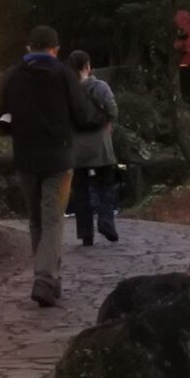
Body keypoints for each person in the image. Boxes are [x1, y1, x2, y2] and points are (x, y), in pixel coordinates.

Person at [0, 24, 90, 306]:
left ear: (28, 48)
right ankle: (46, 278)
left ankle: (47, 278)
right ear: (55, 49)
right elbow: (82, 114)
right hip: (58, 157)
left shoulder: (12, 76)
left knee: (36, 220)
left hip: (26, 157)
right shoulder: (64, 75)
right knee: (53, 219)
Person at [67, 49, 120, 245]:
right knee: (106, 184)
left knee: (80, 189)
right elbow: (113, 110)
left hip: (76, 149)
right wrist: (107, 122)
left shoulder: (66, 90)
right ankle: (106, 221)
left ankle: (85, 233)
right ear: (87, 66)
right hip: (100, 144)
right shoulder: (100, 86)